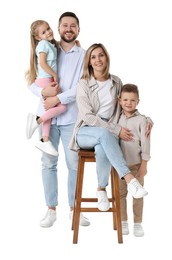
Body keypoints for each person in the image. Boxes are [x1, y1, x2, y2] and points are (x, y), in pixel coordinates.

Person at [69, 43, 152, 213]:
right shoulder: (83, 84)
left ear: (106, 57)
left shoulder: (116, 81)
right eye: (93, 57)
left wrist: (147, 118)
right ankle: (130, 180)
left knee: (102, 147)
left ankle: (101, 189)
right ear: (89, 62)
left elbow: (126, 105)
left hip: (108, 134)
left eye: (101, 55)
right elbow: (88, 116)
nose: (98, 60)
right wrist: (114, 129)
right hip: (86, 130)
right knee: (103, 134)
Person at [28, 12, 90, 227]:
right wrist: (44, 94)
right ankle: (51, 209)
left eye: (73, 25)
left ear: (78, 30)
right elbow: (32, 81)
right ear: (59, 27)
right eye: (65, 25)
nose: (69, 29)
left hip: (71, 117)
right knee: (48, 163)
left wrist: (58, 97)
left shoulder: (84, 55)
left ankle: (76, 209)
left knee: (74, 164)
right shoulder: (47, 48)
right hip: (47, 116)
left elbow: (81, 88)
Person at [25, 20, 67, 156]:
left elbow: (58, 48)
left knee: (49, 110)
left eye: (48, 28)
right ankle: (36, 121)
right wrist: (55, 74)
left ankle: (44, 140)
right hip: (45, 81)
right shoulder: (42, 44)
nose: (48, 32)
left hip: (46, 80)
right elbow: (42, 63)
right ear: (38, 37)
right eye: (43, 32)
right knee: (62, 107)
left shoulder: (50, 44)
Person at [118, 83, 151, 237]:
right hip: (119, 166)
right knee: (121, 195)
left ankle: (138, 223)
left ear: (138, 101)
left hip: (136, 165)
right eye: (125, 99)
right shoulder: (117, 117)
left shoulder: (142, 121)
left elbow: (145, 143)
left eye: (132, 100)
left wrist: (144, 165)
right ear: (119, 100)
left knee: (137, 196)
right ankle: (123, 221)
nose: (128, 103)